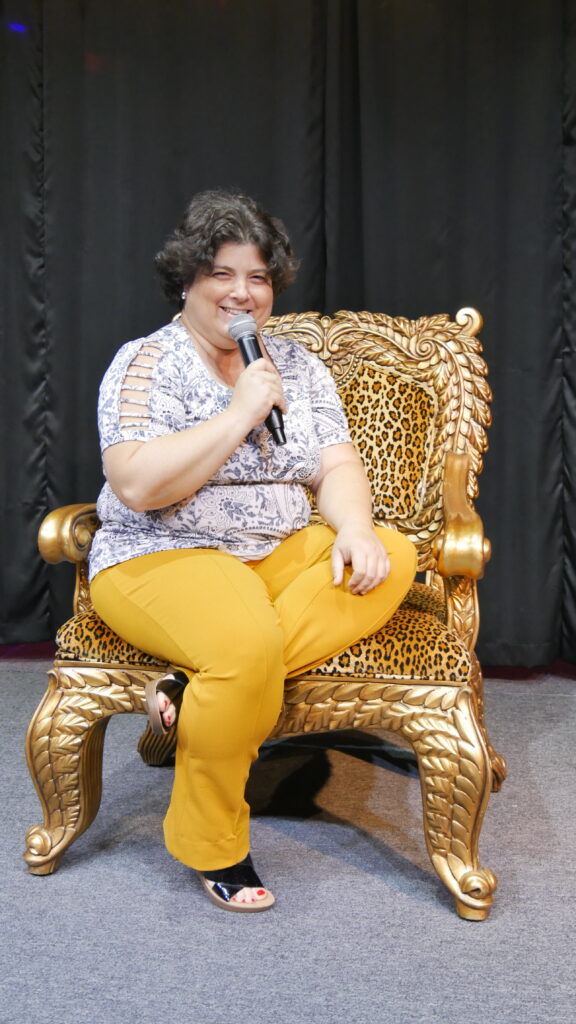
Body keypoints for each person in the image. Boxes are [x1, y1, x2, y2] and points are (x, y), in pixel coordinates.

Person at [88, 188, 417, 913]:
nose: (243, 292)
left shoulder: (295, 366)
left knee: (391, 554)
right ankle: (212, 842)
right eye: (223, 274)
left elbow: (335, 464)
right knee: (244, 645)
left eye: (259, 277)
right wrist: (238, 414)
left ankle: (191, 688)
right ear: (188, 280)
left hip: (276, 550)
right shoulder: (146, 363)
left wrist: (355, 528)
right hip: (163, 552)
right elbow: (136, 484)